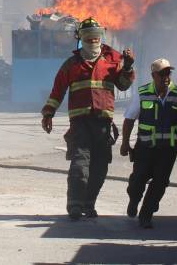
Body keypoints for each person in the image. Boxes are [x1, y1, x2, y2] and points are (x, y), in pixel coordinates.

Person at [40, 17, 135, 220]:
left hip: (103, 123)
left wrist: (127, 68)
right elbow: (57, 91)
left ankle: (88, 204)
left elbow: (124, 85)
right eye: (87, 36)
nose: (92, 40)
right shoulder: (71, 64)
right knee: (79, 164)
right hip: (80, 123)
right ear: (80, 38)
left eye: (96, 36)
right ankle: (75, 205)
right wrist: (48, 113)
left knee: (100, 167)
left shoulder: (113, 59)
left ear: (101, 36)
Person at [119, 58, 177, 228]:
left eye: (168, 73)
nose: (166, 77)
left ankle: (146, 215)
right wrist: (125, 143)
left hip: (168, 150)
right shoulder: (143, 93)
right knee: (138, 180)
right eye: (162, 74)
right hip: (145, 148)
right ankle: (134, 200)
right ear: (153, 75)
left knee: (160, 183)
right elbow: (129, 119)